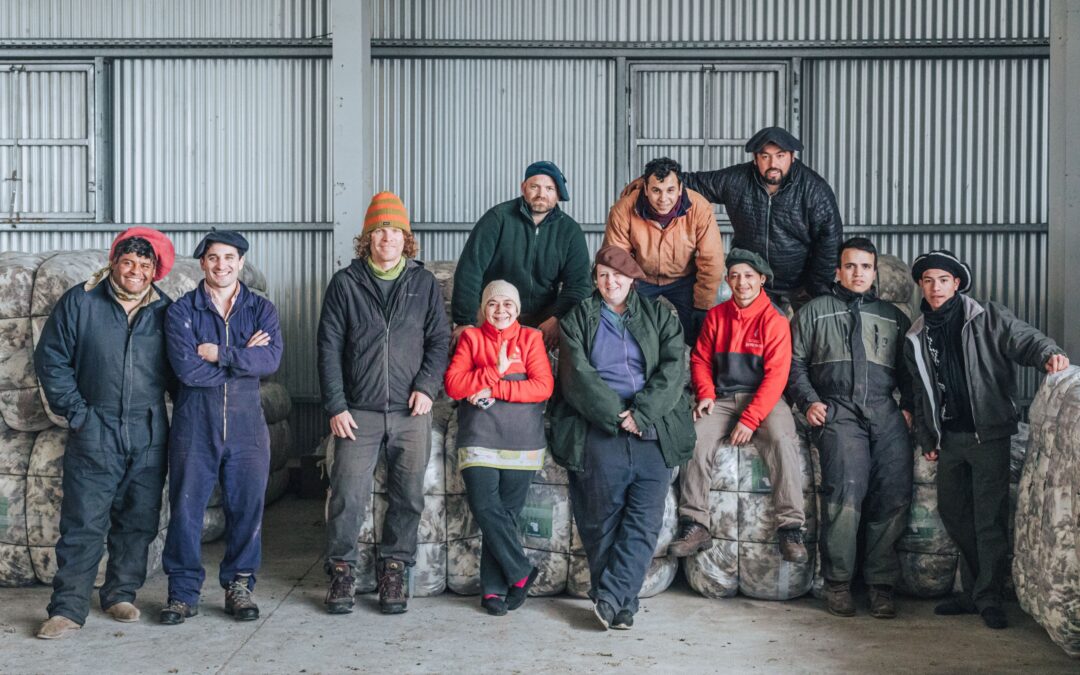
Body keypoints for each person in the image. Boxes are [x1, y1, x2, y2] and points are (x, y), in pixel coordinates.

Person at [904, 250, 1070, 630]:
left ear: (957, 283)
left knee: (988, 519)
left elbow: (1024, 338)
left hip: (988, 434)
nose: (935, 287)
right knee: (955, 514)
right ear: (921, 286)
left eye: (943, 280)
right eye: (928, 280)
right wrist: (927, 435)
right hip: (950, 439)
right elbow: (920, 390)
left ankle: (989, 596)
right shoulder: (917, 333)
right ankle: (973, 590)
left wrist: (1049, 353)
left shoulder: (987, 317)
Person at [33, 227, 176, 639]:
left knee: (139, 517)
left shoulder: (165, 310)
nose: (135, 271)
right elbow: (52, 359)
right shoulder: (81, 301)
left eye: (144, 265)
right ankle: (67, 610)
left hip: (148, 429)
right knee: (84, 521)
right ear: (114, 262)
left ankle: (120, 593)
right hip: (95, 425)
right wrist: (78, 413)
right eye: (128, 262)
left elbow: (178, 371)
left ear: (154, 272)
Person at [547, 245, 695, 630]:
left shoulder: (660, 314)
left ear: (632, 280)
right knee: (600, 519)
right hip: (600, 422)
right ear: (595, 278)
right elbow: (577, 376)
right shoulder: (579, 318)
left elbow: (673, 368)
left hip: (653, 424)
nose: (610, 282)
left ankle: (609, 599)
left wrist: (642, 413)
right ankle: (621, 605)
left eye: (617, 276)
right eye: (603, 276)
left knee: (644, 520)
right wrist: (617, 415)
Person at [319, 191, 450, 615]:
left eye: (394, 231)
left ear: (405, 238)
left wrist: (428, 387)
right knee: (347, 495)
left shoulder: (423, 283)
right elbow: (328, 347)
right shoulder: (346, 283)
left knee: (408, 495)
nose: (386, 238)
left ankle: (394, 568)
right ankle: (341, 571)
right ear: (367, 238)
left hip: (412, 412)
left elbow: (438, 340)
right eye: (378, 231)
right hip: (358, 411)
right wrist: (337, 405)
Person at [160, 230, 283, 625]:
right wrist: (243, 359)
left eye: (229, 257)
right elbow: (188, 371)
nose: (222, 265)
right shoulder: (182, 311)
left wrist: (221, 354)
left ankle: (239, 586)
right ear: (203, 263)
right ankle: (181, 593)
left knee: (247, 509)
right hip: (195, 425)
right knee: (185, 509)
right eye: (213, 258)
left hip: (248, 426)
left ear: (241, 261)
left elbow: (270, 362)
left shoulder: (261, 309)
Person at [788, 237, 914, 618]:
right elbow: (792, 365)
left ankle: (880, 585)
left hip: (884, 411)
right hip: (837, 409)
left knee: (893, 490)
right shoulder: (813, 312)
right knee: (846, 489)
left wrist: (907, 405)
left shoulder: (894, 317)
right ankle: (839, 583)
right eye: (851, 266)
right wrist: (809, 401)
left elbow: (912, 371)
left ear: (875, 272)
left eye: (866, 267)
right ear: (838, 271)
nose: (858, 273)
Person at [668, 248, 808, 564]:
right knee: (693, 438)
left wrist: (750, 419)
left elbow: (777, 376)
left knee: (782, 440)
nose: (741, 282)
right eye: (734, 276)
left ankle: (790, 528)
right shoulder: (717, 316)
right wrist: (704, 393)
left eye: (748, 276)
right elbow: (700, 358)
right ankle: (696, 524)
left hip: (764, 398)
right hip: (721, 398)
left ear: (761, 279)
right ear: (727, 280)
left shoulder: (775, 320)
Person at [628, 126, 843, 313]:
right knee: (754, 343)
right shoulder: (737, 180)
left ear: (792, 157)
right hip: (754, 280)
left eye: (780, 155)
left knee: (804, 345)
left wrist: (818, 288)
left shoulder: (814, 189)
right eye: (765, 156)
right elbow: (695, 182)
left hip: (801, 282)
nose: (773, 163)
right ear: (755, 158)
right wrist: (650, 180)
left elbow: (830, 241)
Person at [443, 280, 554, 616]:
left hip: (522, 441)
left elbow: (543, 387)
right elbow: (453, 384)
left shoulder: (531, 338)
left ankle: (494, 589)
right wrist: (495, 370)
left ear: (517, 309)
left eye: (508, 304)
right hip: (479, 438)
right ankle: (521, 571)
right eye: (493, 304)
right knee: (485, 505)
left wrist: (495, 387)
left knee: (504, 516)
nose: (500, 310)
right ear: (483, 309)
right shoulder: (471, 339)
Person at [451, 161, 592, 350]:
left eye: (549, 188)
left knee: (571, 342)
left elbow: (579, 284)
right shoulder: (498, 218)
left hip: (545, 313)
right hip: (494, 308)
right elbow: (470, 270)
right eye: (535, 186)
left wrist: (557, 318)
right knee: (472, 351)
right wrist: (464, 321)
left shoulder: (570, 231)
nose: (542, 194)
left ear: (558, 194)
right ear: (523, 187)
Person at [603, 156, 724, 345]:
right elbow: (617, 258)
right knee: (626, 332)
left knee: (702, 333)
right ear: (645, 188)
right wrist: (624, 294)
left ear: (680, 188)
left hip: (685, 279)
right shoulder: (623, 209)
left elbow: (711, 260)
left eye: (670, 190)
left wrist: (703, 305)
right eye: (656, 191)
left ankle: (700, 373)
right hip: (640, 278)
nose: (663, 199)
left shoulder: (699, 208)